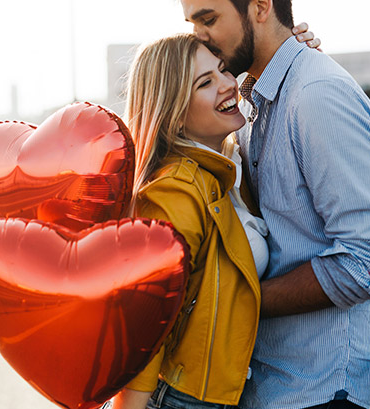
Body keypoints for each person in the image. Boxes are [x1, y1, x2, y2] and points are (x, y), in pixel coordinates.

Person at [180, 1, 370, 408]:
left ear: (260, 7)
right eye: (193, 22)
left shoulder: (316, 96)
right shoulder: (254, 99)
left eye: (209, 19)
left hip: (320, 390)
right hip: (268, 383)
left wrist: (235, 302)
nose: (199, 35)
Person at [108, 24, 320, 409]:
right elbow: (143, 323)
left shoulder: (227, 166)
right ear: (172, 110)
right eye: (205, 82)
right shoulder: (175, 190)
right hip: (182, 399)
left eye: (223, 69)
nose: (227, 84)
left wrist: (294, 62)